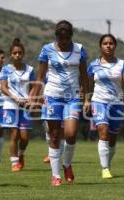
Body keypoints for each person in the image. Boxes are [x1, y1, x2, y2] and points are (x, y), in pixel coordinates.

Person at [30, 20, 90, 186]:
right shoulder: (47, 49)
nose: (63, 41)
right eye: (60, 37)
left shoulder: (79, 49)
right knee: (55, 135)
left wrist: (86, 99)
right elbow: (40, 77)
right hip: (52, 96)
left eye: (66, 37)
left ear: (71, 36)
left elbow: (84, 76)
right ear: (56, 36)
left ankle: (67, 164)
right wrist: (34, 97)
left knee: (70, 134)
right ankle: (56, 176)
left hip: (72, 97)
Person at [88, 34, 124, 179]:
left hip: (117, 104)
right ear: (101, 46)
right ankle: (105, 168)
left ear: (115, 46)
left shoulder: (121, 64)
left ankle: (107, 163)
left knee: (112, 138)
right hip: (99, 101)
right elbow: (87, 84)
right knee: (103, 131)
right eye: (105, 43)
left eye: (111, 43)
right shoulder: (93, 65)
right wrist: (86, 100)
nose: (108, 46)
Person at [0, 38, 35, 172]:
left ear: (23, 54)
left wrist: (30, 99)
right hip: (10, 105)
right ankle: (14, 162)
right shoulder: (6, 70)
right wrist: (15, 98)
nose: (17, 55)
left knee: (25, 137)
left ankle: (21, 154)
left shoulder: (30, 69)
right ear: (11, 54)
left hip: (24, 106)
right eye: (15, 53)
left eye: (20, 53)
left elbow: (33, 87)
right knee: (14, 134)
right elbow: (3, 88)